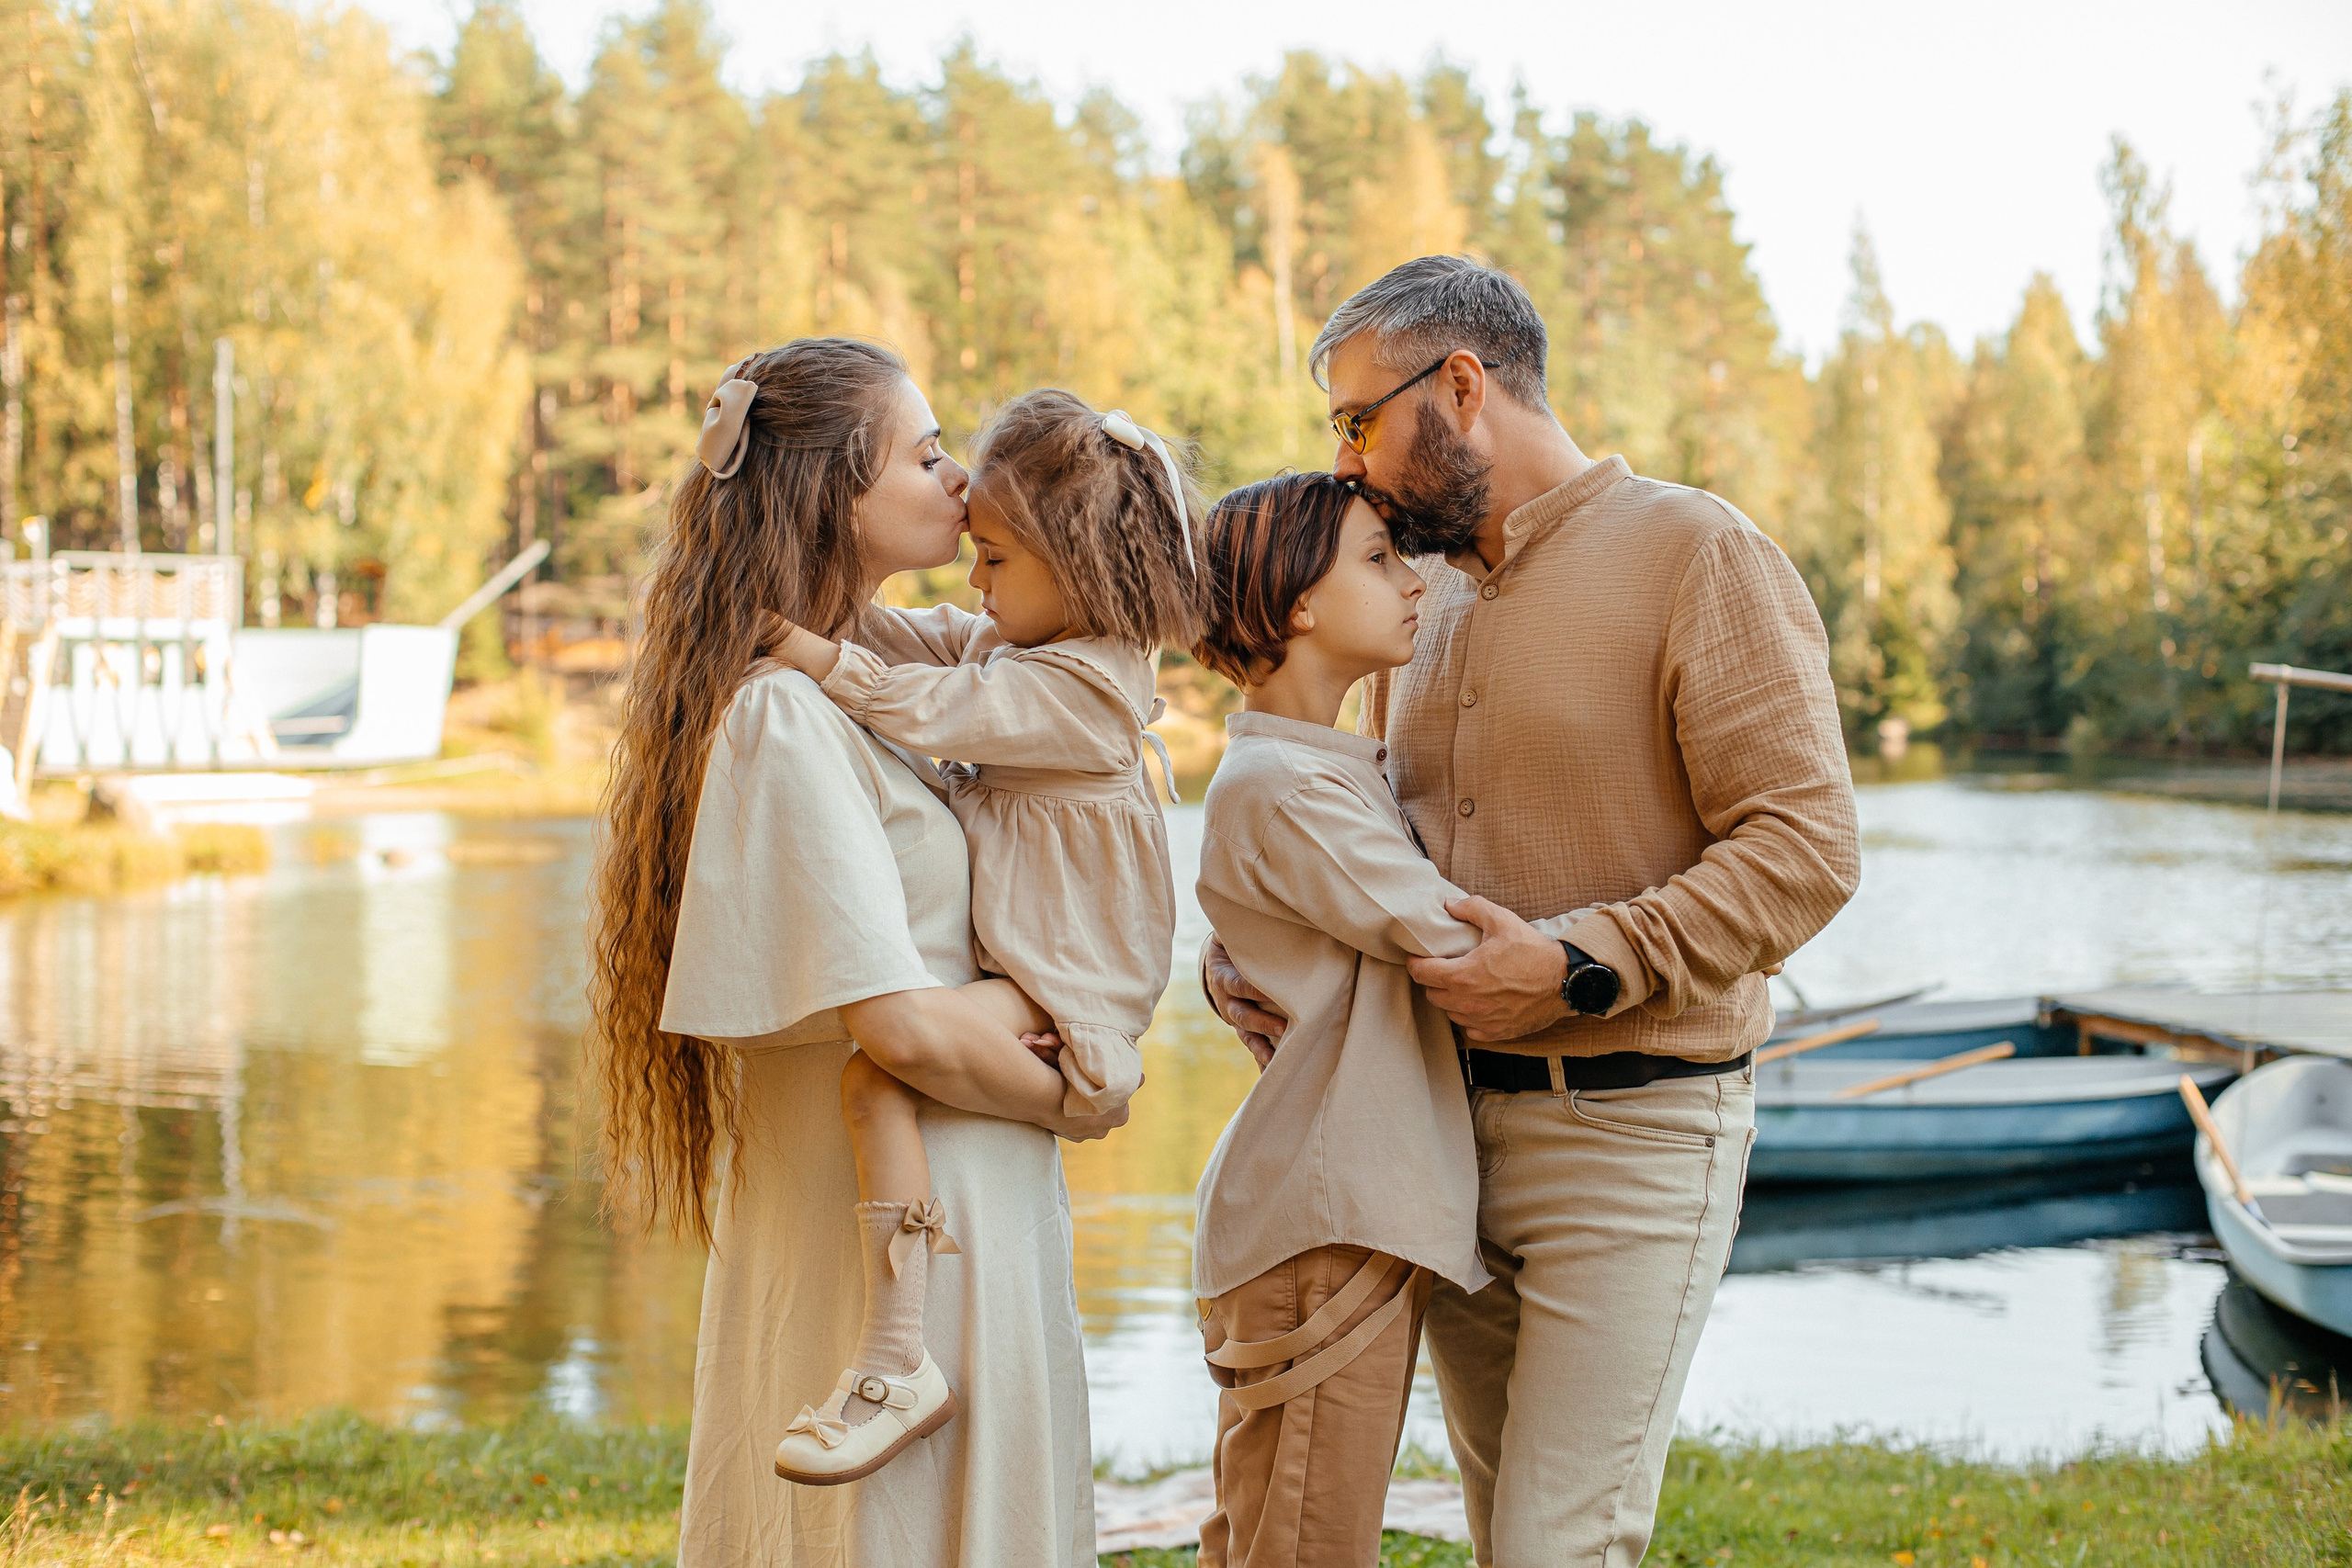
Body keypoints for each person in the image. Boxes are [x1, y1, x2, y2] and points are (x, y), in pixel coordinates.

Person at [1204, 256, 1862, 1566]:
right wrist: (1259, 945)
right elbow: (1374, 830)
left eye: (1356, 420)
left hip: (1633, 1133)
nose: (1345, 464)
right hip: (1436, 1130)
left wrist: (1580, 963)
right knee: (1508, 1525)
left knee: (1562, 1543)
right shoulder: (1415, 596)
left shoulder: (1699, 551)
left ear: (1460, 385)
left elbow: (1807, 843)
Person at [590, 339, 1116, 1566]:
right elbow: (901, 1026)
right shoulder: (782, 713)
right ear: (839, 490)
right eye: (927, 453)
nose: (960, 478)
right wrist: (1089, 1089)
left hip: (945, 1191)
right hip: (889, 1217)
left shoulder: (867, 677)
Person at [760, 389, 1204, 1483]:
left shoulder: (1081, 697)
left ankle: (898, 1356)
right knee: (877, 1080)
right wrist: (803, 595)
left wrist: (802, 654)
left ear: (1081, 571)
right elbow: (919, 641)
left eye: (995, 561)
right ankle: (899, 1350)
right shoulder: (1035, 651)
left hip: (1061, 991)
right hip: (1029, 973)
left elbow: (928, 706)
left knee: (876, 1083)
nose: (974, 581)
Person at [1189, 471, 1612, 1567]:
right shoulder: (1290, 786)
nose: (1413, 579)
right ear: (1299, 607)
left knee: (1264, 1532)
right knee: (1303, 1545)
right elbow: (1458, 943)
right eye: (1379, 559)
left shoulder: (1319, 770)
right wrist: (1619, 955)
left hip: (1327, 1212)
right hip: (1325, 1223)